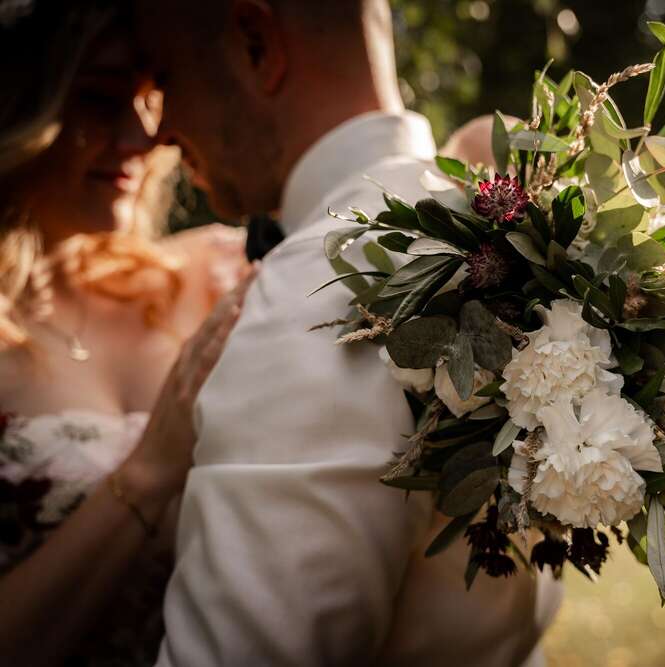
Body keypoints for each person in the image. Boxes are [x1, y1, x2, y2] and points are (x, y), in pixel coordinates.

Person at [136, 0, 562, 664]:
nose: (158, 130)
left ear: (255, 44)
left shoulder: (314, 295)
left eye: (165, 79)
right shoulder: (511, 234)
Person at [0, 2, 253, 664]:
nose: (143, 140)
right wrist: (146, 474)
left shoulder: (202, 275)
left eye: (150, 101)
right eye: (100, 99)